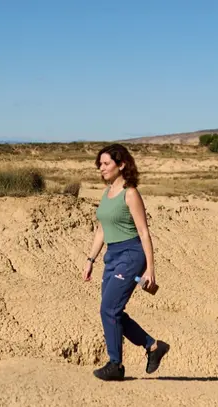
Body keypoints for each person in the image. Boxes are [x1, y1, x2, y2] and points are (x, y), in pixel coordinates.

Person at [83, 143, 170, 381]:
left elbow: (144, 232)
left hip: (131, 255)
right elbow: (101, 229)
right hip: (111, 256)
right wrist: (90, 259)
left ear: (121, 165)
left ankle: (115, 364)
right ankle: (153, 346)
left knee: (108, 309)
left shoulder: (130, 193)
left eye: (106, 163)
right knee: (114, 311)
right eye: (99, 164)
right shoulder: (107, 193)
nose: (101, 168)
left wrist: (151, 269)